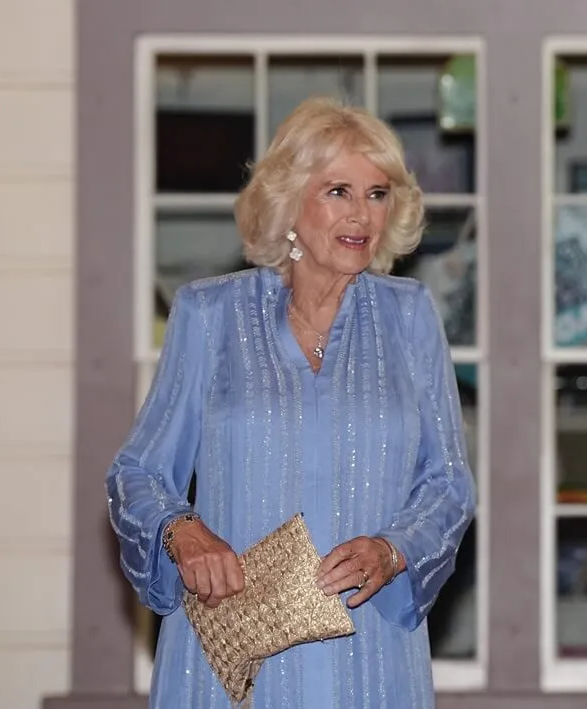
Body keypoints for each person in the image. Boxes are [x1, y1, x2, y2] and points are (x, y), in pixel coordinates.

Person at [107, 96, 477, 708]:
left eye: (378, 194)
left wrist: (394, 549)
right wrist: (182, 532)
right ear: (288, 203)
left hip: (369, 651)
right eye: (338, 191)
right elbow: (137, 475)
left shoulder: (409, 316)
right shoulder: (209, 314)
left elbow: (448, 483)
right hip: (229, 663)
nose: (362, 214)